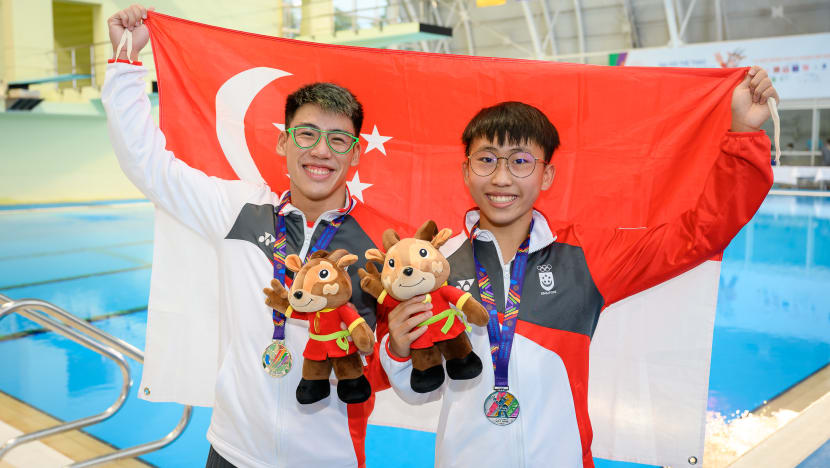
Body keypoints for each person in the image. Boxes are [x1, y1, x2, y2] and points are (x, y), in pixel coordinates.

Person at [378, 68, 778, 467]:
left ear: (546, 174)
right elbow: (419, 392)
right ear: (466, 171)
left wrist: (742, 134)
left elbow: (701, 234)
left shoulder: (585, 255)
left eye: (520, 161)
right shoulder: (433, 263)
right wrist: (397, 349)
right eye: (486, 160)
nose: (501, 178)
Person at [103, 5, 403, 467]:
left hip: (328, 457)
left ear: (356, 155)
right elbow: (148, 165)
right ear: (283, 143)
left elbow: (389, 363)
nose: (320, 151)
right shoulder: (237, 209)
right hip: (231, 451)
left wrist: (401, 350)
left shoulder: (379, 250)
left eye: (338, 140)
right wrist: (126, 64)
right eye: (306, 135)